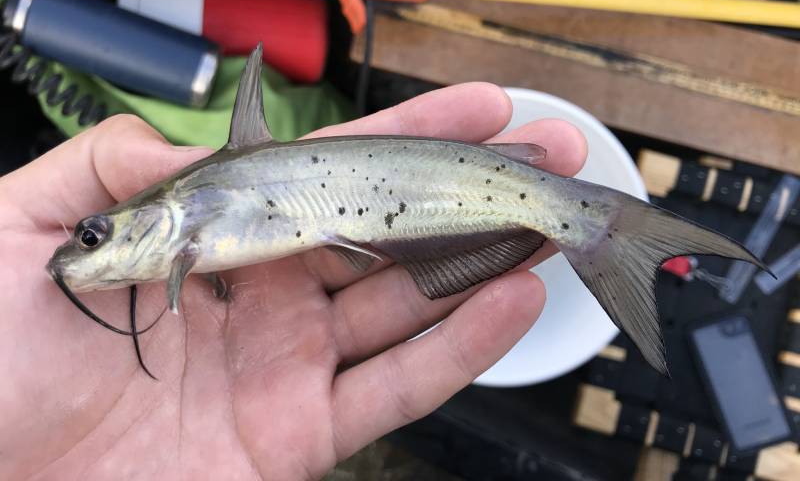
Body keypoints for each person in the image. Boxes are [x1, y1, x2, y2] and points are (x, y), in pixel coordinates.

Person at [0, 82, 586, 480]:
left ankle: (579, 219)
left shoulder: (184, 215)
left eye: (94, 237)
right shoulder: (173, 245)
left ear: (161, 212)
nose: (81, 256)